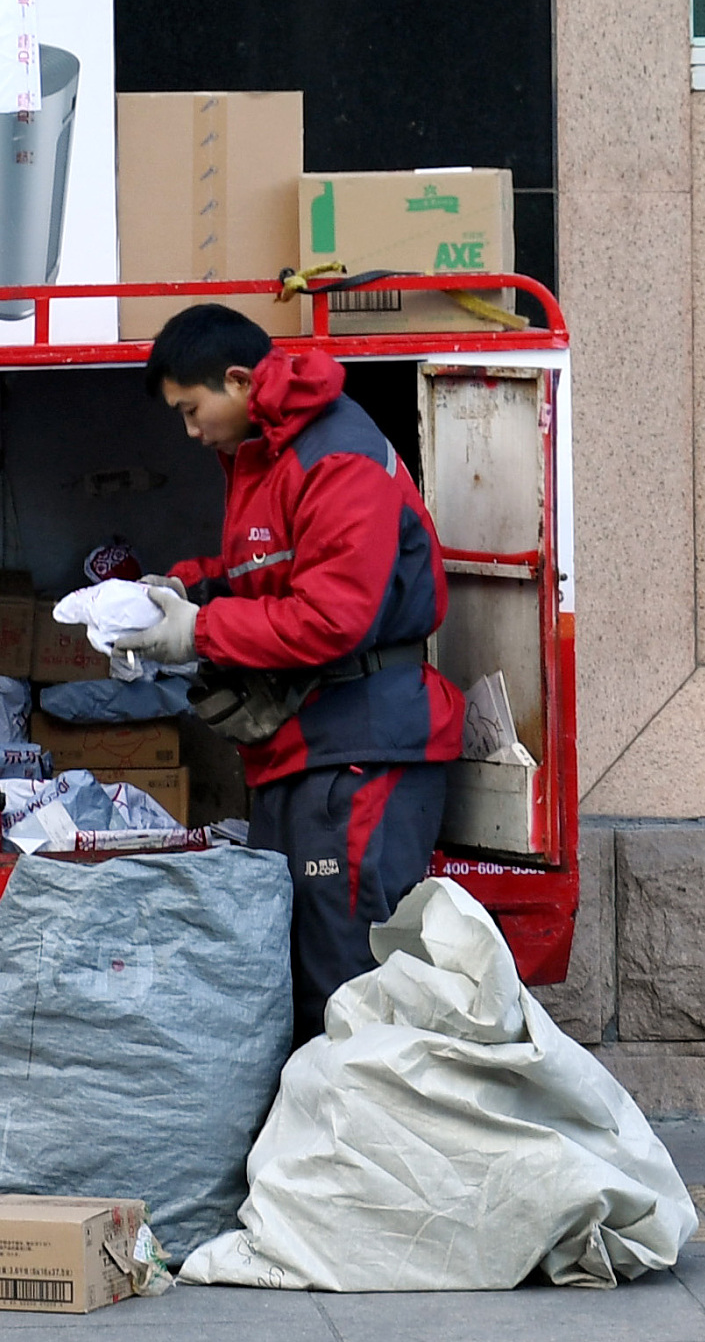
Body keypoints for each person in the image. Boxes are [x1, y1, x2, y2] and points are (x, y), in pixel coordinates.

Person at [132, 304, 465, 1041]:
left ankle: (363, 1153)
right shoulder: (268, 453)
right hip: (308, 752)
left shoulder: (335, 455)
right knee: (300, 981)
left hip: (361, 755)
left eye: (191, 409)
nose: (190, 431)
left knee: (347, 986)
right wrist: (187, 591)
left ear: (241, 380)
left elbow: (334, 616)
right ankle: (318, 1152)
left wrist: (199, 630)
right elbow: (267, 570)